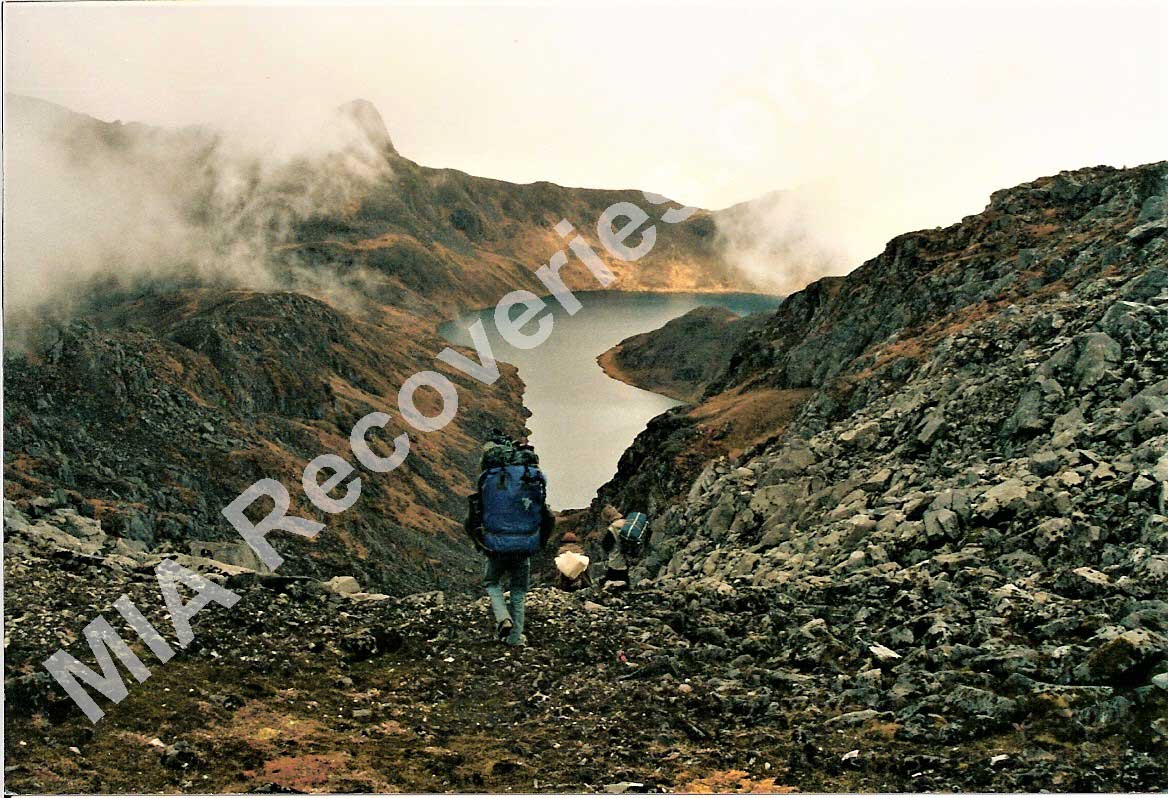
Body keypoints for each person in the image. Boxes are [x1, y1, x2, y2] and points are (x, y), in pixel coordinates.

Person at [466, 433, 555, 646]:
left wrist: (480, 541)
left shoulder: (489, 478)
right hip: (525, 544)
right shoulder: (532, 477)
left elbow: (473, 517)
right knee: (519, 590)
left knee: (491, 582)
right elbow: (548, 517)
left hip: (495, 544)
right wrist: (539, 542)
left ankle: (502, 617)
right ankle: (516, 637)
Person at [601, 506, 651, 591]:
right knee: (625, 582)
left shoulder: (612, 529)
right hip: (630, 559)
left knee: (610, 584)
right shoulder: (628, 524)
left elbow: (606, 546)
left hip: (616, 562)